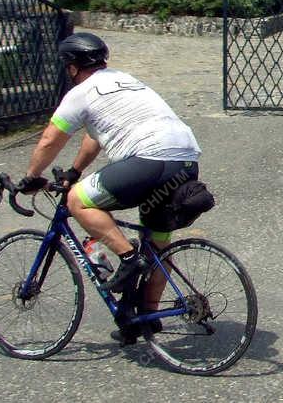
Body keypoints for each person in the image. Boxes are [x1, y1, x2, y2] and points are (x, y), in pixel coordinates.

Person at [16, 32, 201, 342]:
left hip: (149, 160)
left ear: (72, 68)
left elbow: (50, 139)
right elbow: (94, 136)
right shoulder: (124, 80)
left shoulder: (82, 92)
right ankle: (143, 317)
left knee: (78, 201)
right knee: (156, 243)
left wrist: (32, 176)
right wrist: (75, 170)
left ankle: (128, 259)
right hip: (185, 160)